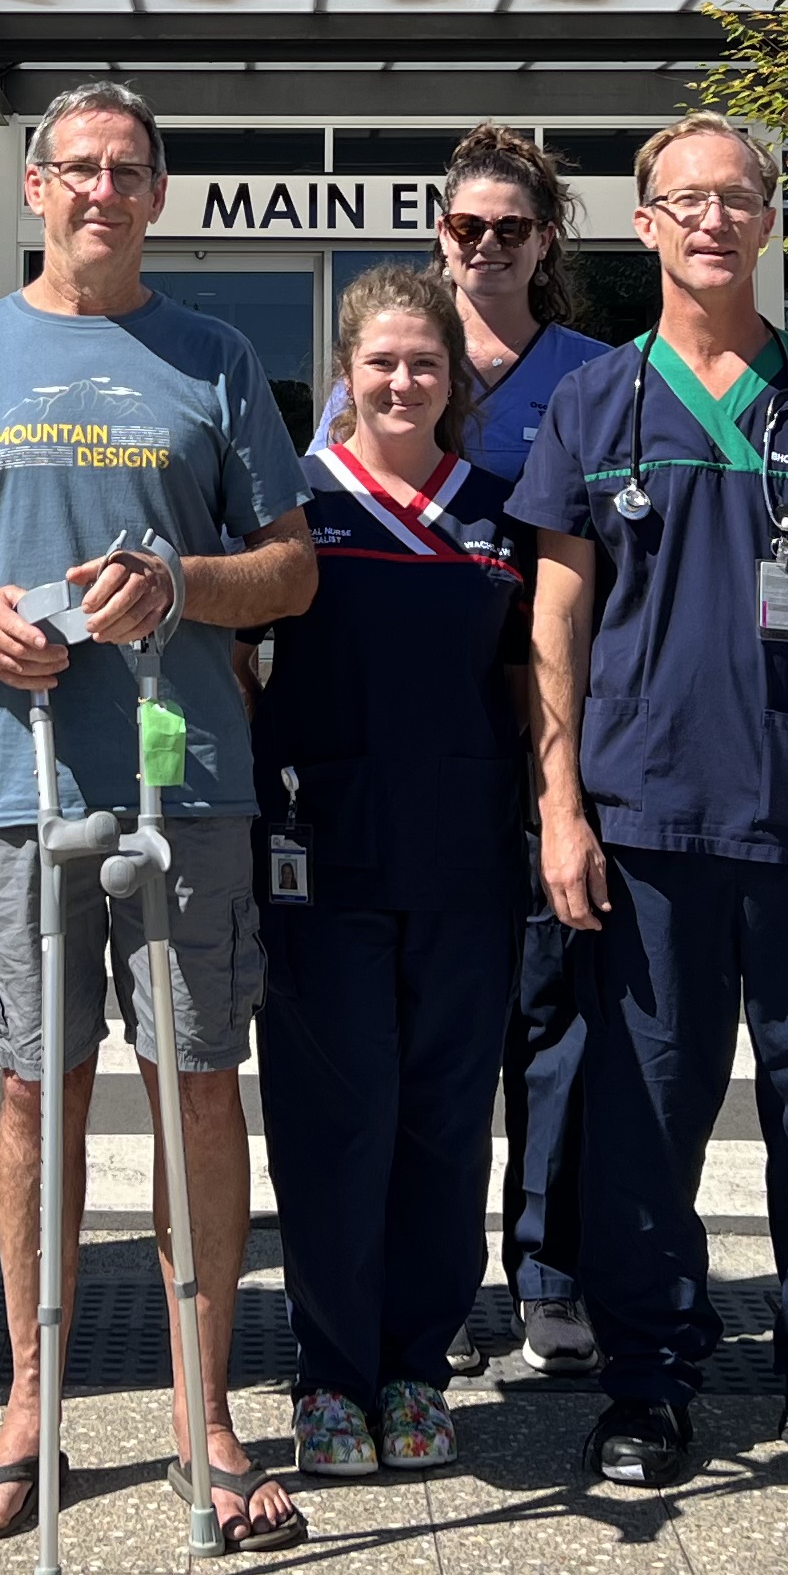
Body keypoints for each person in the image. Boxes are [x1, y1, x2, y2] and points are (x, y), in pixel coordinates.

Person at [0, 78, 320, 1554]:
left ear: (159, 191)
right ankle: (27, 1405)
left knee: (195, 1079)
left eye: (131, 169)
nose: (104, 192)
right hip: (13, 777)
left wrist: (186, 586)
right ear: (36, 186)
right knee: (28, 1088)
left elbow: (293, 566)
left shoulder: (214, 355)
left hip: (180, 779)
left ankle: (205, 1409)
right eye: (79, 169)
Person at [511, 115, 788, 1496]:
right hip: (645, 823)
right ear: (641, 226)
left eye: (737, 199)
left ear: (771, 224)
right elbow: (556, 614)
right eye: (683, 201)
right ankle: (647, 1380)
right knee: (645, 1111)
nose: (711, 220)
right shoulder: (593, 403)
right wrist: (560, 806)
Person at [248, 268, 527, 1480]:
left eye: (425, 365)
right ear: (344, 376)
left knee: (444, 1121)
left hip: (465, 856)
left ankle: (416, 1364)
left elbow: (532, 684)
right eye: (382, 365)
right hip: (327, 857)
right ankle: (330, 1374)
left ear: (453, 379)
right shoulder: (292, 511)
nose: (404, 384)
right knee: (333, 1123)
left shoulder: (504, 513)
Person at [421, 125, 619, 1387]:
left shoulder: (596, 378)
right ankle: (436, 1279)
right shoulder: (392, 362)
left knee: (555, 1022)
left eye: (510, 229)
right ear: (437, 235)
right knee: (445, 1025)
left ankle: (548, 1273)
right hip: (428, 739)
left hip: (560, 733)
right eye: (464, 228)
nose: (485, 247)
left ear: (547, 242)